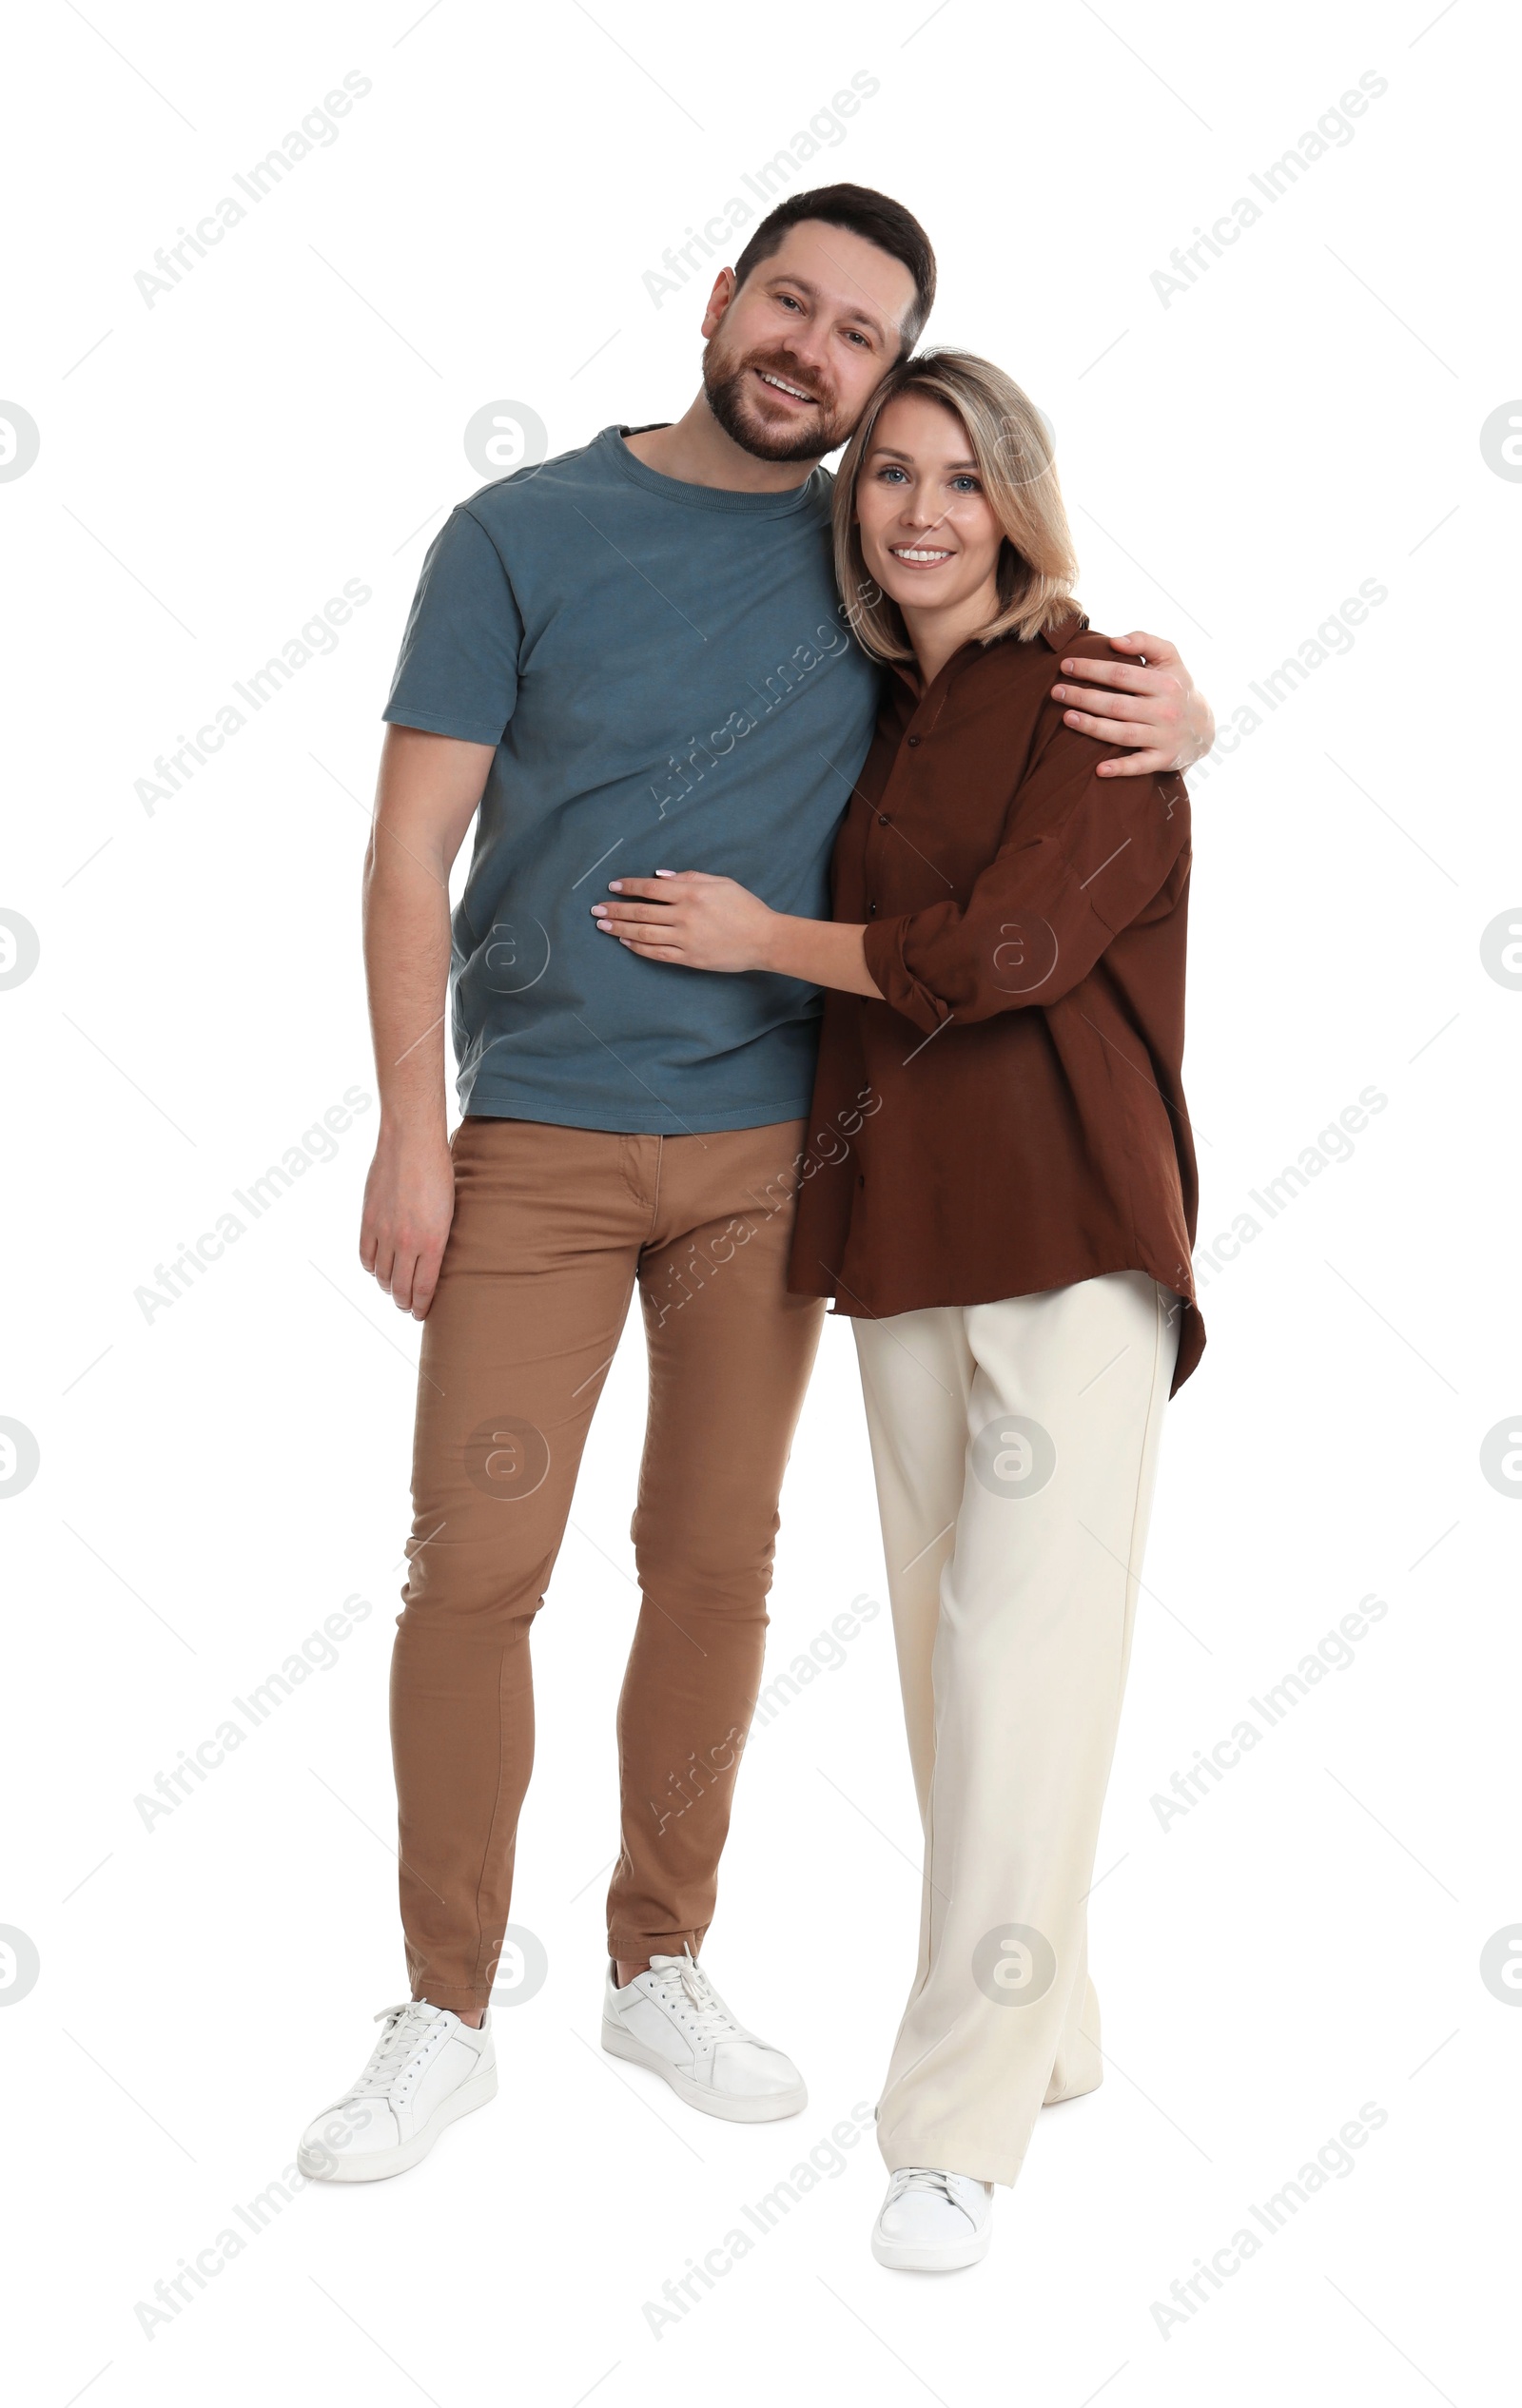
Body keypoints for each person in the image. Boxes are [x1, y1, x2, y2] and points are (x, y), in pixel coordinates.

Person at [297, 187, 1214, 2184]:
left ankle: (659, 1964)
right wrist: (403, 1130)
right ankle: (444, 2007)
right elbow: (404, 852)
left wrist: (1194, 709)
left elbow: (1018, 674)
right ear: (719, 303)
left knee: (712, 1570)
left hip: (776, 1155)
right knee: (474, 1573)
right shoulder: (518, 535)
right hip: (530, 1135)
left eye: (861, 335)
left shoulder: (866, 551)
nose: (815, 349)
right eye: (787, 302)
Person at [592, 347, 1202, 2270]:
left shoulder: (1089, 688)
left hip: (1069, 1234)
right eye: (888, 479)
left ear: (1017, 501)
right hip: (898, 1237)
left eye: (960, 478)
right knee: (961, 1687)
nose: (921, 511)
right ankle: (1048, 2029)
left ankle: (952, 2135)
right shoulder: (875, 708)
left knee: (1026, 1680)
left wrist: (769, 941)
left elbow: (1012, 949)